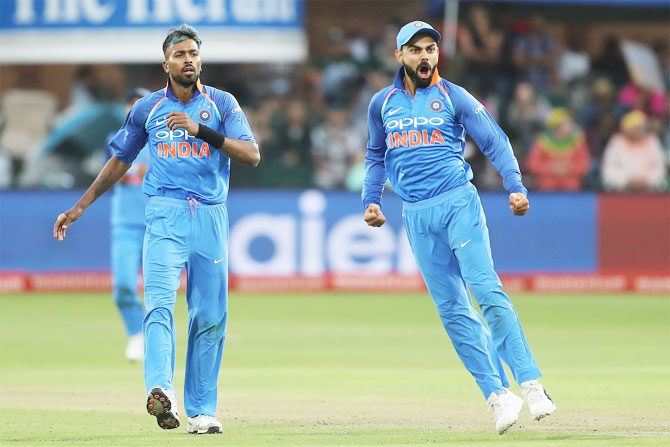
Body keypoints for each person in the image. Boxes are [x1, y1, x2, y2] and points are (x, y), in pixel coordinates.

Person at [53, 24, 260, 434]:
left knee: (210, 315)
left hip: (211, 215)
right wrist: (80, 207)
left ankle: (202, 412)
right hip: (165, 212)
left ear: (201, 60)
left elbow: (251, 154)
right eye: (180, 54)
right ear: (165, 63)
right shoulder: (147, 109)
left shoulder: (222, 103)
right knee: (159, 304)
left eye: (194, 54)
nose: (189, 61)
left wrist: (202, 131)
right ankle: (161, 390)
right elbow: (120, 160)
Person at [362, 21, 555, 435]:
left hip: (458, 203)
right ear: (400, 56)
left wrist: (515, 185)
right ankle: (498, 394)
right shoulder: (382, 103)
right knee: (452, 309)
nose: (425, 56)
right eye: (415, 50)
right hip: (415, 215)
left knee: (485, 289)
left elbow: (495, 141)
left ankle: (531, 384)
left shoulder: (454, 95)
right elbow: (375, 156)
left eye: (431, 48)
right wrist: (372, 200)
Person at [104, 88, 152, 362]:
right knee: (123, 283)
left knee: (156, 287)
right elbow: (109, 175)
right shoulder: (115, 139)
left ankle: (154, 337)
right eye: (131, 105)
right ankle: (136, 332)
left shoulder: (161, 139)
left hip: (157, 222)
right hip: (125, 222)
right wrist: (133, 171)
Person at [601, 110, 667, 192]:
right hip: (621, 193)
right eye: (634, 128)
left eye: (640, 128)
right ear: (625, 129)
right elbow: (608, 170)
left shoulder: (652, 141)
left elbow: (660, 167)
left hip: (650, 191)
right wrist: (626, 181)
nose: (638, 131)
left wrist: (648, 180)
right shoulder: (616, 142)